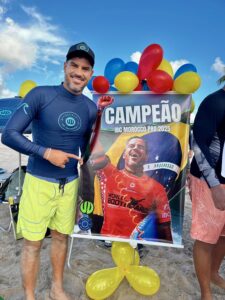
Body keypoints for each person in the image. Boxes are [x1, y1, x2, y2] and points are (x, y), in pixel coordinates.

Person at [1, 42, 107, 300]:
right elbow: (9, 134)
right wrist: (45, 152)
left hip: (70, 185)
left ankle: (56, 288)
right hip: (39, 182)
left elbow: (87, 149)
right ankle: (29, 295)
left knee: (61, 238)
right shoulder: (40, 95)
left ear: (90, 73)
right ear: (65, 66)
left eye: (85, 68)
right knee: (32, 243)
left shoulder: (91, 108)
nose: (79, 73)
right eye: (74, 66)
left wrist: (103, 121)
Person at [89, 135, 173, 242]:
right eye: (131, 145)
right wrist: (91, 125)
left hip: (136, 246)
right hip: (108, 241)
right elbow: (97, 153)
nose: (135, 148)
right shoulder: (110, 174)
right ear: (124, 154)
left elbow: (164, 226)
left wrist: (168, 247)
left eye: (140, 147)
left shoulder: (157, 188)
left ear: (146, 157)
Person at [189, 87, 225, 300]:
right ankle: (206, 293)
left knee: (223, 236)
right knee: (206, 238)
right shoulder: (216, 101)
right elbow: (197, 143)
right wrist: (214, 186)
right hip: (209, 181)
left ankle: (213, 273)